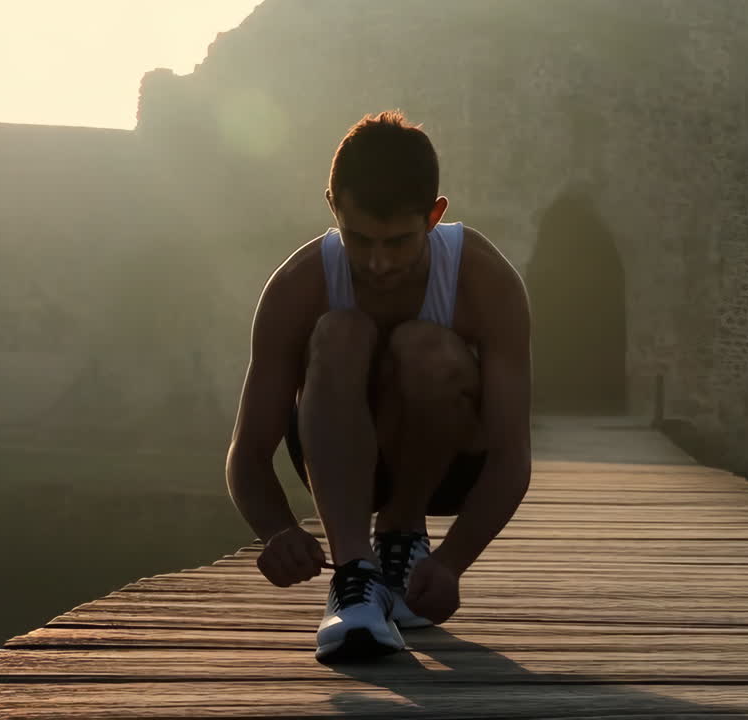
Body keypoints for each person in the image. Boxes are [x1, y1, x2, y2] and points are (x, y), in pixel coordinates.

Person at [225, 110, 532, 663]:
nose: (377, 262)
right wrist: (277, 530)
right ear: (332, 208)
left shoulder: (485, 279)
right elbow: (247, 453)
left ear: (435, 215)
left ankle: (403, 539)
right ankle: (355, 573)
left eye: (398, 242)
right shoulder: (298, 285)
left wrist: (453, 562)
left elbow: (511, 457)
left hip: (450, 466)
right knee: (339, 331)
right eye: (358, 239)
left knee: (424, 347)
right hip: (337, 453)